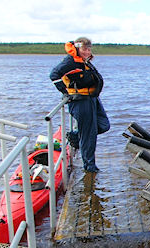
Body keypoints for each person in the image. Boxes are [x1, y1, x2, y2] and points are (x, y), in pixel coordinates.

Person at [50, 37, 110, 173]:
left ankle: (76, 136)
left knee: (104, 125)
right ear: (77, 48)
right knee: (89, 136)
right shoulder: (70, 61)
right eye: (84, 49)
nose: (87, 52)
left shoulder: (84, 61)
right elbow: (54, 75)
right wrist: (65, 93)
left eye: (89, 49)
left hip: (92, 98)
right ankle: (90, 167)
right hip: (80, 101)